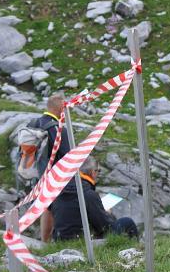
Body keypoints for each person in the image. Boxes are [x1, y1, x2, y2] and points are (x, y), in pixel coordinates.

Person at [49, 156, 138, 241]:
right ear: (93, 172)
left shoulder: (59, 190)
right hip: (82, 240)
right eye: (98, 171)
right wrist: (107, 214)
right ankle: (136, 250)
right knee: (128, 222)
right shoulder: (88, 194)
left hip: (59, 238)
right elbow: (104, 227)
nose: (98, 174)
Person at [34, 94, 70, 243]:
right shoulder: (58, 128)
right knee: (53, 208)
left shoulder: (34, 123)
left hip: (35, 173)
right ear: (61, 109)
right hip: (54, 177)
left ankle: (44, 241)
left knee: (46, 207)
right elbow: (69, 156)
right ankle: (51, 241)